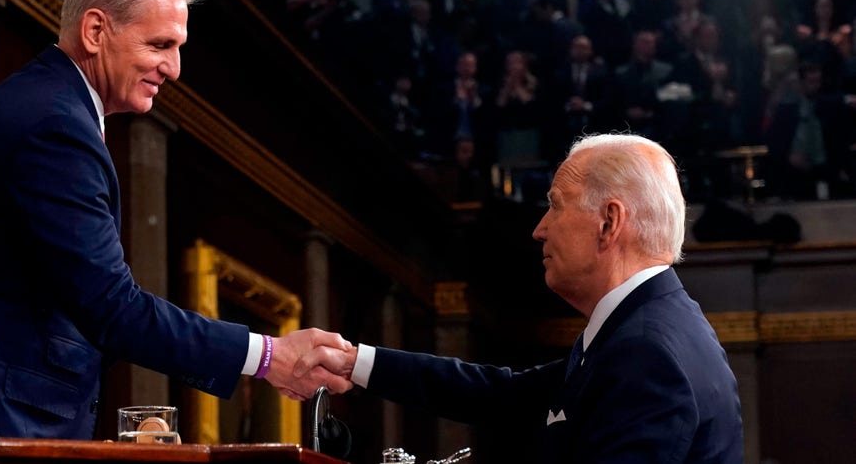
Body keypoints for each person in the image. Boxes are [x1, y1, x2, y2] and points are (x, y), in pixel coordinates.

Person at [0, 0, 352, 440]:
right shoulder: (54, 125)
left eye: (177, 48)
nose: (174, 69)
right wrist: (268, 357)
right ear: (95, 31)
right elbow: (113, 308)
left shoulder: (54, 108)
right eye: (159, 45)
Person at [302, 133, 744, 462]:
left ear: (609, 222)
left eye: (556, 204)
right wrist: (351, 360)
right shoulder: (643, 329)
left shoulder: (645, 350)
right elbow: (504, 394)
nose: (540, 228)